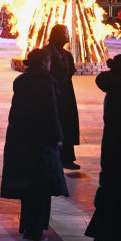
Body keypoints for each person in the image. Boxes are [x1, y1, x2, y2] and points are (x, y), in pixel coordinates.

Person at [0, 49, 69, 241]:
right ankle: (35, 230)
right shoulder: (45, 82)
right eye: (49, 61)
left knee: (29, 186)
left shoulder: (22, 80)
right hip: (40, 140)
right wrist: (57, 137)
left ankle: (28, 226)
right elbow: (50, 113)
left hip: (21, 137)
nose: (50, 64)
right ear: (43, 62)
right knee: (40, 186)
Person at [84, 55, 121, 241]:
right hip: (118, 151)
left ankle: (107, 237)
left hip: (119, 150)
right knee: (117, 196)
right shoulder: (118, 93)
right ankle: (110, 239)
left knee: (118, 194)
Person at [43, 24, 81, 169]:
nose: (67, 35)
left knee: (67, 124)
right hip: (53, 93)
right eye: (65, 33)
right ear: (57, 35)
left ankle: (67, 158)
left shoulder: (66, 54)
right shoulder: (47, 52)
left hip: (66, 95)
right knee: (55, 124)